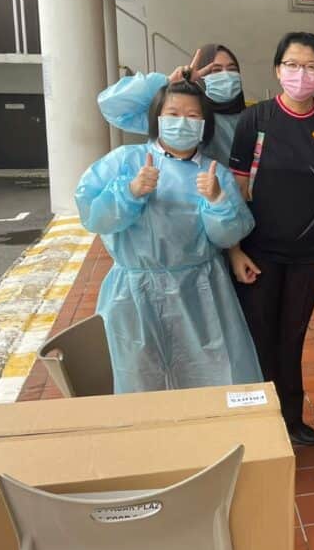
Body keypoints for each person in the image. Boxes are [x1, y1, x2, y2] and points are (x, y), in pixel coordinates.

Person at [75, 80, 262, 393]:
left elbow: (227, 234)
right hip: (135, 291)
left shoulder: (214, 173)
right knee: (139, 375)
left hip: (200, 288)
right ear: (156, 118)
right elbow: (94, 216)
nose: (183, 122)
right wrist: (131, 192)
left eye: (193, 115)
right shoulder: (125, 161)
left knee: (211, 373)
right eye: (173, 113)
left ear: (205, 124)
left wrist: (217, 200)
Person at [228, 32, 314, 447]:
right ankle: (261, 420)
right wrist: (235, 250)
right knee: (259, 335)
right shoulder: (255, 121)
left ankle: (291, 417)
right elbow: (236, 191)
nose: (302, 74)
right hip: (258, 253)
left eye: (311, 66)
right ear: (278, 70)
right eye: (293, 65)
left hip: (310, 257)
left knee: (291, 336)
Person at [98, 43, 246, 164]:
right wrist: (168, 81)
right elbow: (112, 106)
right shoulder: (175, 113)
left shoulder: (251, 118)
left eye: (232, 69)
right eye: (216, 70)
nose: (226, 75)